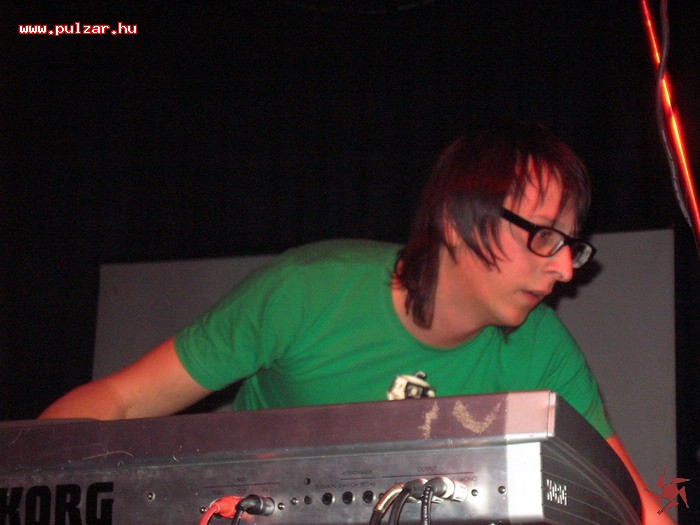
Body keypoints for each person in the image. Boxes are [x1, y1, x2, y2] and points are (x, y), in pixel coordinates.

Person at [40, 121, 674, 524]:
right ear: (457, 222)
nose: (563, 267)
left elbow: (638, 509)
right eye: (543, 235)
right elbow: (121, 402)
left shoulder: (543, 350)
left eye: (570, 245)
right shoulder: (307, 292)